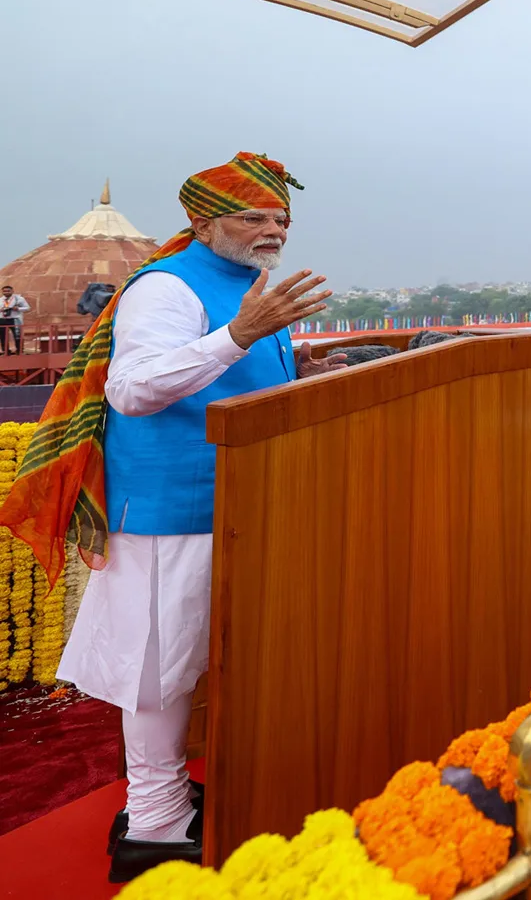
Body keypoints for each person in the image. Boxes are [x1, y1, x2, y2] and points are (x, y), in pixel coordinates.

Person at [0, 153, 341, 883]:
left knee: (192, 659)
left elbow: (239, 376)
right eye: (255, 216)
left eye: (281, 217)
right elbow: (133, 389)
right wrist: (240, 336)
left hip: (239, 504)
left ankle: (169, 799)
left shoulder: (249, 287)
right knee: (160, 667)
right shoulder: (166, 286)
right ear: (202, 220)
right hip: (168, 510)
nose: (274, 229)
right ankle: (155, 821)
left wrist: (306, 374)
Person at [0, 285, 28, 354]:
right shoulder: (1, 299)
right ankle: (6, 351)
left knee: (17, 335)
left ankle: (19, 351)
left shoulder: (19, 299)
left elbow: (27, 308)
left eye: (8, 291)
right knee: (3, 336)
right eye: (4, 291)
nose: (6, 292)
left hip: (15, 319)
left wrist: (18, 308)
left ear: (12, 291)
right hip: (2, 319)